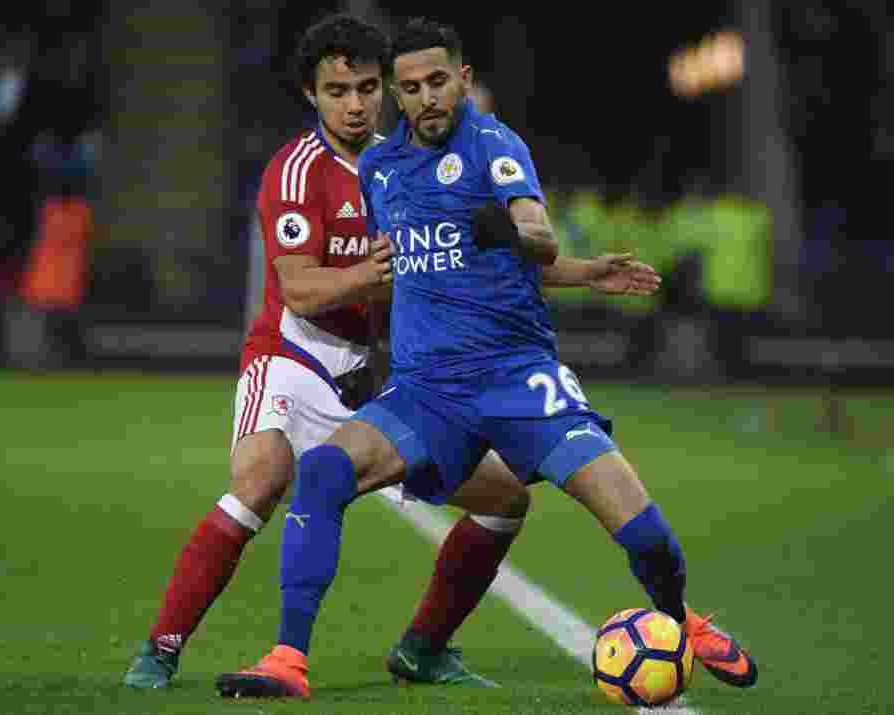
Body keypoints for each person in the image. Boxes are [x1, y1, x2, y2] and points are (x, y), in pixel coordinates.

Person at [220, 17, 758, 700]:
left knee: (642, 529)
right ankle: (287, 659)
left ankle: (683, 618)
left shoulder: (493, 144)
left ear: (463, 80)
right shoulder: (381, 170)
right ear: (395, 94)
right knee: (325, 470)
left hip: (517, 378)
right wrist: (376, 354)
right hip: (427, 391)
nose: (427, 98)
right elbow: (419, 269)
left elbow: (535, 234)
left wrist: (521, 233)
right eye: (411, 87)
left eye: (438, 81)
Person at [124, 14, 636, 692]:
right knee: (260, 480)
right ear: (311, 94)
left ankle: (424, 647)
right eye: (337, 91)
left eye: (367, 88)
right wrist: (370, 274)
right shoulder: (296, 171)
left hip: (383, 376)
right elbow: (299, 291)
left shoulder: (411, 163)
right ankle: (161, 647)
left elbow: (482, 265)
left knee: (505, 498)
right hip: (296, 358)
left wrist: (584, 272)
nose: (355, 105)